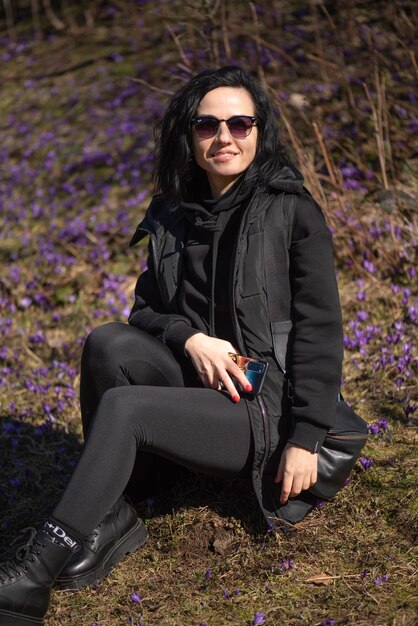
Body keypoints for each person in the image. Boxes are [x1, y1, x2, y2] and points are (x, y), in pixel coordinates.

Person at [0, 65, 343, 625]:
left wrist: (305, 437)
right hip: (202, 385)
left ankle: (35, 574)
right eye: (208, 125)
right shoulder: (174, 211)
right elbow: (145, 311)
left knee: (125, 406)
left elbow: (321, 331)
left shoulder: (292, 212)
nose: (224, 137)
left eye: (240, 123)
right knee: (108, 342)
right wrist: (193, 340)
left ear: (260, 131)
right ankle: (111, 515)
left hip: (263, 408)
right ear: (190, 135)